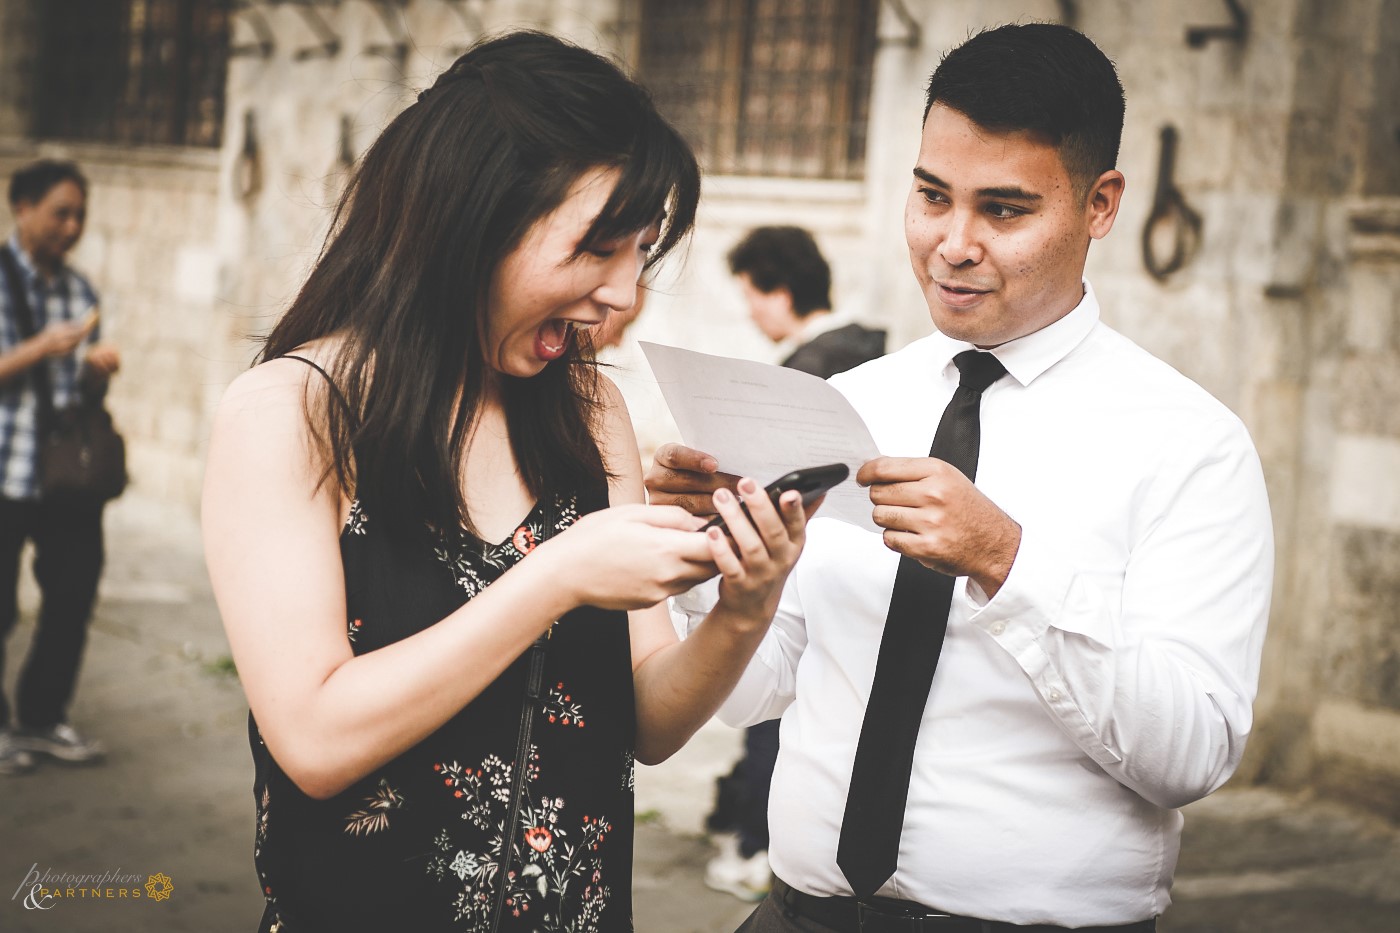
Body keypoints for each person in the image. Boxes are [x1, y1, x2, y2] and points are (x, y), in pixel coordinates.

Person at [647, 23, 1273, 932]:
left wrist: (1005, 560)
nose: (952, 243)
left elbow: (1192, 755)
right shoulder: (843, 402)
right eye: (932, 196)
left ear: (1100, 205)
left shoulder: (1190, 445)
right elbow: (758, 692)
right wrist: (724, 568)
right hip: (796, 915)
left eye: (1005, 210)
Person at [201, 31, 813, 933]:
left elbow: (648, 720)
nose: (622, 293)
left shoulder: (588, 413)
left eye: (640, 252)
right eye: (597, 248)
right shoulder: (292, 413)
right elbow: (316, 740)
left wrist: (747, 599)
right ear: (470, 217)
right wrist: (560, 574)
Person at [704, 226, 885, 902]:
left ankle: (759, 843)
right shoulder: (876, 350)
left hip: (805, 576)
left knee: (773, 719)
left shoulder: (810, 371)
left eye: (751, 295)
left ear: (780, 292)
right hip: (864, 588)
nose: (751, 312)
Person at [0, 160, 120, 775]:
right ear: (22, 207)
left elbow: (81, 401)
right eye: (59, 213)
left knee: (73, 594)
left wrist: (96, 374)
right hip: (4, 472)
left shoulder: (80, 291)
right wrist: (40, 348)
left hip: (62, 477)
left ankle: (42, 719)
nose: (71, 227)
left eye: (79, 216)